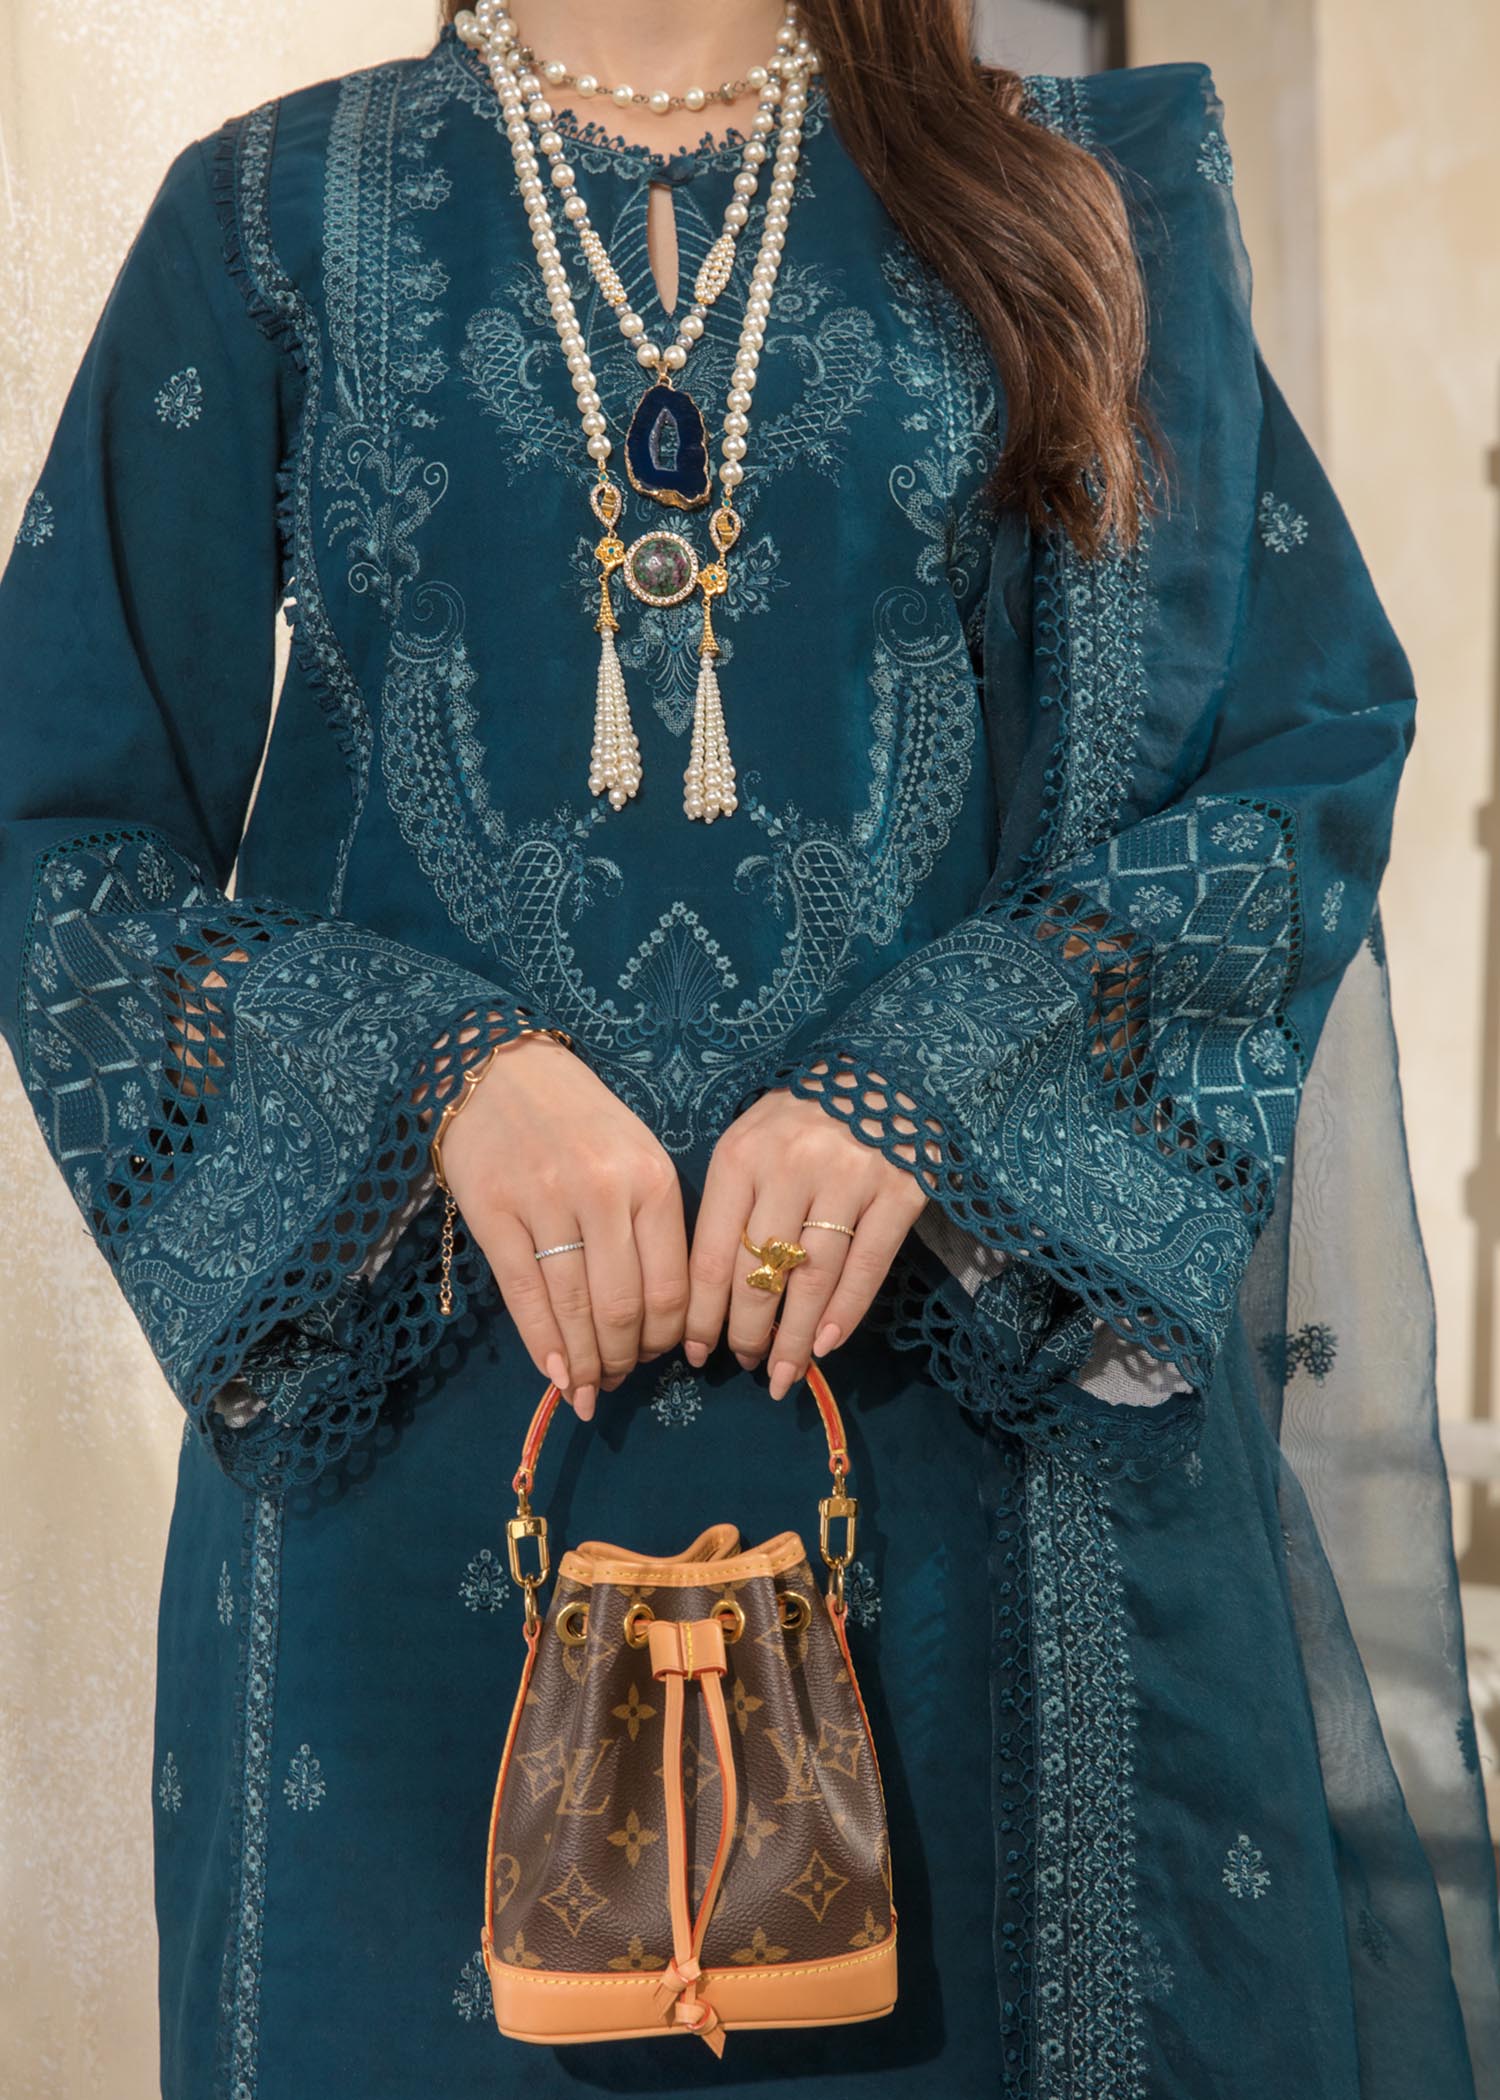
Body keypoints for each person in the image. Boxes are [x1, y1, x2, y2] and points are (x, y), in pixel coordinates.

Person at [2, 2, 1496, 2094]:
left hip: (965, 1505)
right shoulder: (269, 215)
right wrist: (438, 1079)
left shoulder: (1061, 201)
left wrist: (935, 1085)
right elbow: (57, 831)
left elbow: (1301, 738)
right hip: (415, 1518)